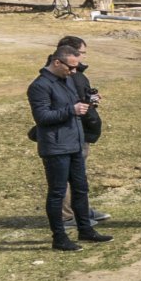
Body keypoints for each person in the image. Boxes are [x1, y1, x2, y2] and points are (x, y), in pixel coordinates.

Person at [28, 42, 111, 252]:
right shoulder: (39, 86)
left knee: (81, 188)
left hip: (74, 143)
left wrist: (87, 101)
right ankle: (59, 237)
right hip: (56, 147)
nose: (74, 71)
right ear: (57, 62)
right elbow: (42, 117)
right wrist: (71, 110)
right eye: (71, 67)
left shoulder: (67, 80)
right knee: (57, 193)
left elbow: (74, 103)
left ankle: (85, 229)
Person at [52, 35, 110, 224]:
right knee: (66, 176)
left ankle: (82, 210)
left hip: (79, 130)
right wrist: (92, 121)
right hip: (73, 132)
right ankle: (67, 216)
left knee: (78, 175)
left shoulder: (74, 75)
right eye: (82, 53)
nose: (84, 57)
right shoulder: (65, 76)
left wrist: (90, 99)